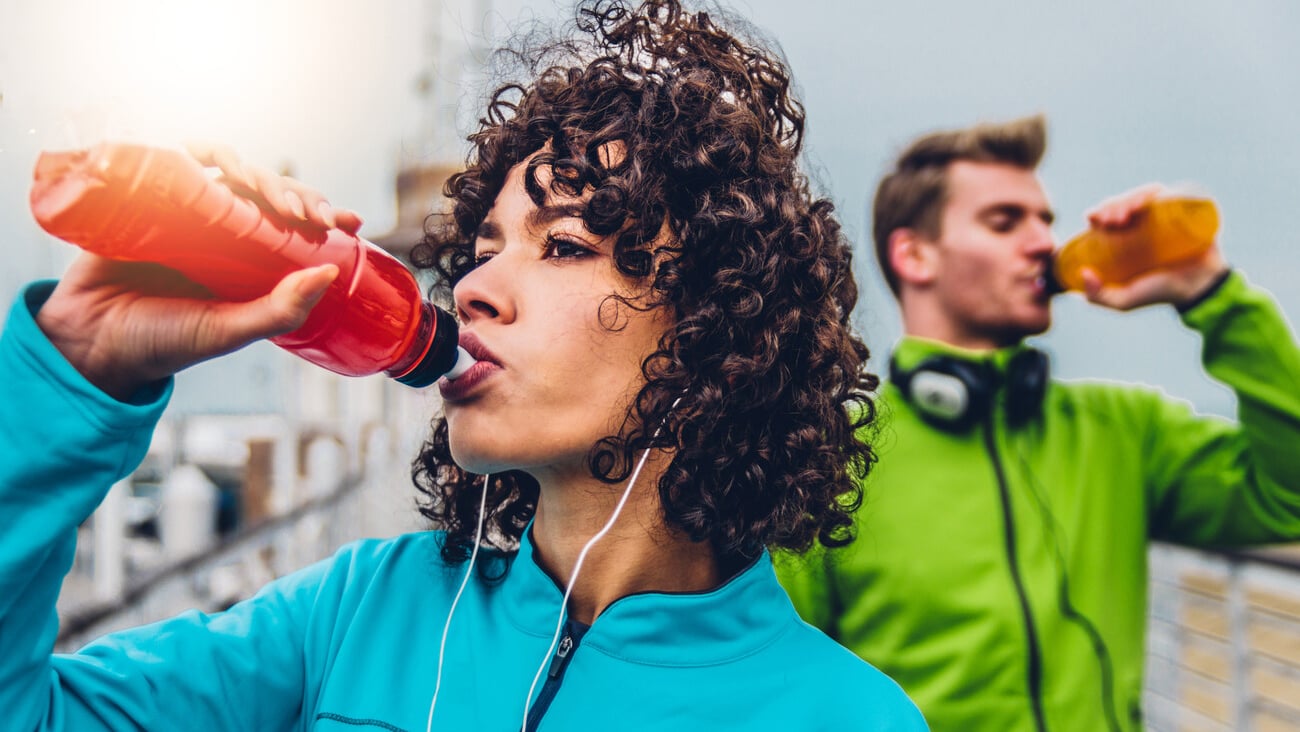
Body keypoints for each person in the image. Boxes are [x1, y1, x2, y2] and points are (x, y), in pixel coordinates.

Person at [0, 1, 927, 730]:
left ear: (723, 319)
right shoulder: (355, 615)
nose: (475, 286)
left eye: (562, 245)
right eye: (480, 249)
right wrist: (75, 374)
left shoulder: (847, 716)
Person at [776, 114, 1300, 732]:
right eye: (1005, 221)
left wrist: (1208, 290)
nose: (1042, 243)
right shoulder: (832, 455)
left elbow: (1285, 496)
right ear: (913, 253)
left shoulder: (1125, 429)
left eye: (1045, 221)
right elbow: (789, 688)